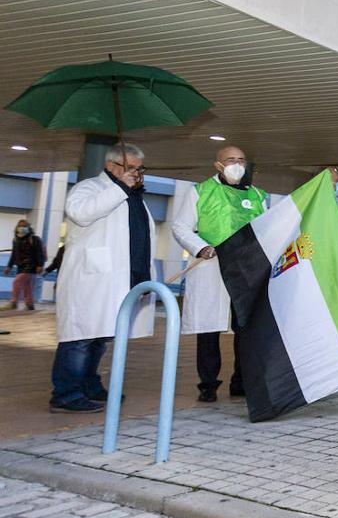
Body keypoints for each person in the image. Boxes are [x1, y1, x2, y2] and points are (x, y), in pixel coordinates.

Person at [50, 143, 156, 413]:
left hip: (123, 277)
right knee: (80, 337)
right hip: (92, 278)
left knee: (102, 335)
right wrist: (120, 187)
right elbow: (82, 214)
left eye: (138, 168)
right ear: (111, 166)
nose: (135, 173)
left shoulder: (135, 197)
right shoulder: (88, 188)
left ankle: (89, 384)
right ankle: (65, 394)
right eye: (129, 167)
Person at [171, 146, 268, 402]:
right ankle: (208, 384)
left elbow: (266, 229)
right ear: (218, 165)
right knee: (209, 327)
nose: (237, 164)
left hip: (246, 269)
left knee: (245, 326)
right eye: (230, 160)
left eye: (241, 160)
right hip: (211, 266)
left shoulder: (258, 195)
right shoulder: (200, 192)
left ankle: (241, 381)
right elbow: (181, 226)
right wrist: (200, 247)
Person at [5, 219, 45, 310]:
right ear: (17, 228)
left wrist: (40, 264)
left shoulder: (34, 239)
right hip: (20, 266)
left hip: (30, 265)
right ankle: (30, 304)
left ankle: (14, 302)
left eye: (24, 226)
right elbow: (14, 254)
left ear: (28, 228)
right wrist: (9, 266)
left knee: (16, 282)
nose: (22, 228)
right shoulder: (16, 240)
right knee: (27, 286)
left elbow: (40, 252)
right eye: (20, 226)